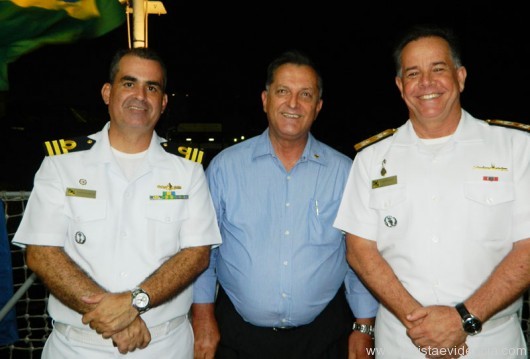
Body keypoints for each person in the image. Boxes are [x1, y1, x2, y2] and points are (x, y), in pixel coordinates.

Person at [334, 23, 530, 359]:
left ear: (461, 77)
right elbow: (359, 250)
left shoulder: (516, 148)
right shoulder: (372, 158)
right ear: (400, 85)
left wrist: (464, 318)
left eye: (438, 69)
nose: (426, 83)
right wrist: (421, 323)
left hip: (490, 344)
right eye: (413, 73)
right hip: (404, 342)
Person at [12, 47, 222, 358]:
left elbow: (197, 254)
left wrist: (136, 302)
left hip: (163, 346)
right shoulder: (62, 164)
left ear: (163, 103)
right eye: (129, 83)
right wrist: (118, 320)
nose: (140, 95)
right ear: (107, 92)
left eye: (152, 87)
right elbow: (41, 254)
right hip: (77, 347)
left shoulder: (188, 169)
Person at [191, 49, 379, 359]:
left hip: (323, 338)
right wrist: (202, 319)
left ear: (317, 107)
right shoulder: (224, 168)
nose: (293, 104)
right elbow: (203, 254)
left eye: (305, 94)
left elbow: (357, 258)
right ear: (265, 99)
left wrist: (363, 326)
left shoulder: (345, 172)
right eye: (283, 92)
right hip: (237, 337)